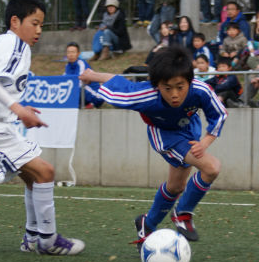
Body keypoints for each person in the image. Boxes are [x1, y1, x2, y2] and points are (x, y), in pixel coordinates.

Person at [0, 0, 85, 255]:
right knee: (45, 172)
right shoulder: (12, 44)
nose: (39, 30)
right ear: (15, 21)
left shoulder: (14, 45)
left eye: (41, 25)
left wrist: (18, 110)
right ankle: (48, 242)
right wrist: (17, 109)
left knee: (33, 179)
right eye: (34, 23)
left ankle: (31, 238)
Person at [79, 45, 227, 247]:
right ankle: (182, 213)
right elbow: (118, 83)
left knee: (176, 186)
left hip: (190, 131)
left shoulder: (199, 90)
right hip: (164, 135)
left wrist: (205, 142)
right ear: (157, 85)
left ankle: (147, 224)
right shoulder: (144, 94)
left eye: (180, 87)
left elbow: (219, 114)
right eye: (167, 88)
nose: (174, 94)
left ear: (189, 81)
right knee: (211, 167)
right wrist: (92, 75)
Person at [64, 41, 100, 108]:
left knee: (78, 86)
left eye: (73, 52)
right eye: (68, 52)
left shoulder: (81, 64)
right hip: (81, 93)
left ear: (78, 54)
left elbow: (79, 82)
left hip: (96, 96)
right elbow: (64, 80)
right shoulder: (67, 66)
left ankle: (92, 104)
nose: (70, 55)